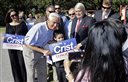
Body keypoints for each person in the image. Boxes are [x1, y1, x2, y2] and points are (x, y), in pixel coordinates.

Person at [23, 13, 60, 82]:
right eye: (54, 22)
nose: (56, 25)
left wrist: (59, 44)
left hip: (41, 50)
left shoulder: (51, 29)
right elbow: (27, 44)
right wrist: (43, 51)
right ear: (48, 20)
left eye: (57, 23)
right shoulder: (38, 28)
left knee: (43, 72)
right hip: (30, 50)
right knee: (31, 74)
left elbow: (49, 41)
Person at [4, 9, 28, 82]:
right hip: (11, 49)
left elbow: (27, 35)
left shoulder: (23, 24)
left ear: (18, 15)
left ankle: (24, 80)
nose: (14, 17)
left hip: (21, 48)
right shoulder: (8, 25)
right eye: (12, 15)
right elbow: (6, 37)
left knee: (22, 64)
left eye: (15, 15)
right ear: (10, 17)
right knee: (14, 65)